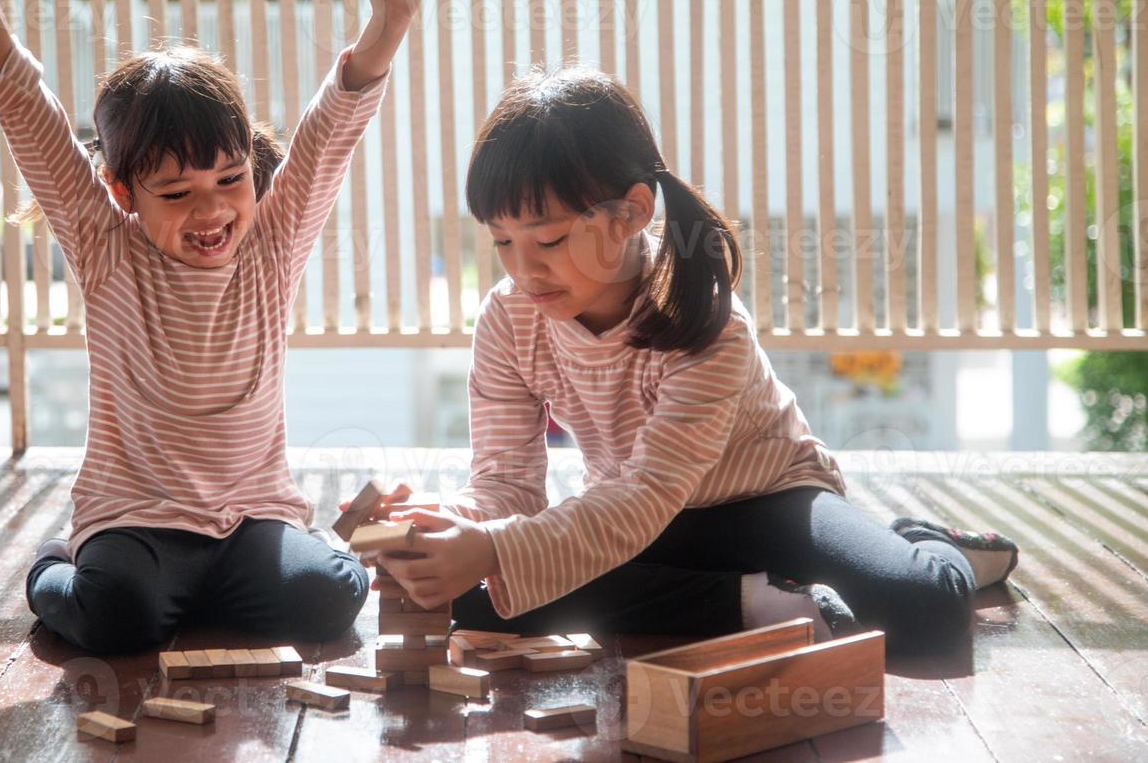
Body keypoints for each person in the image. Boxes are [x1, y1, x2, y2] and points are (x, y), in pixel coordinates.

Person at [363, 66, 1018, 655]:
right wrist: (442, 527)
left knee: (927, 611)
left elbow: (648, 493)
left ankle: (928, 544)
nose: (523, 267)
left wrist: (491, 547)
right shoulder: (509, 319)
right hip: (642, 524)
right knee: (471, 597)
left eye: (550, 239)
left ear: (632, 213)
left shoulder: (709, 323)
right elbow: (508, 488)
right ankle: (757, 604)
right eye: (502, 240)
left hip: (768, 500)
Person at [0, 0, 425, 653]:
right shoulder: (105, 249)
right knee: (118, 619)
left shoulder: (272, 243)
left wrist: (388, 24)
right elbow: (36, 123)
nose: (212, 210)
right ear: (124, 191)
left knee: (329, 601)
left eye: (230, 180)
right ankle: (53, 563)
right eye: (177, 192)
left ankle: (260, 567)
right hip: (137, 520)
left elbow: (331, 131)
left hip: (252, 519)